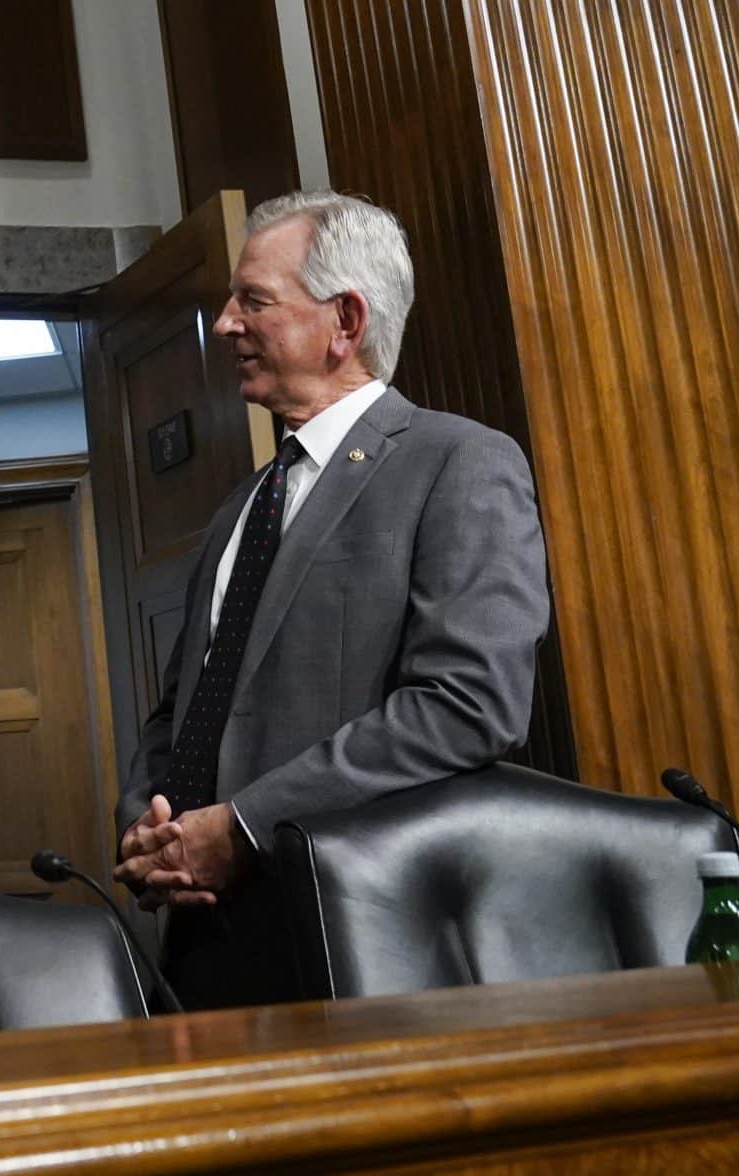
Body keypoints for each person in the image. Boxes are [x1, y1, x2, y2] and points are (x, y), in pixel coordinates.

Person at [112, 191, 549, 1009]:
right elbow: (180, 709)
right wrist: (149, 826)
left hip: (365, 951)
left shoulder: (459, 465)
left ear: (344, 321)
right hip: (202, 953)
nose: (223, 323)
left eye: (253, 300)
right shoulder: (238, 509)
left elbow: (468, 702)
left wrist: (243, 828)